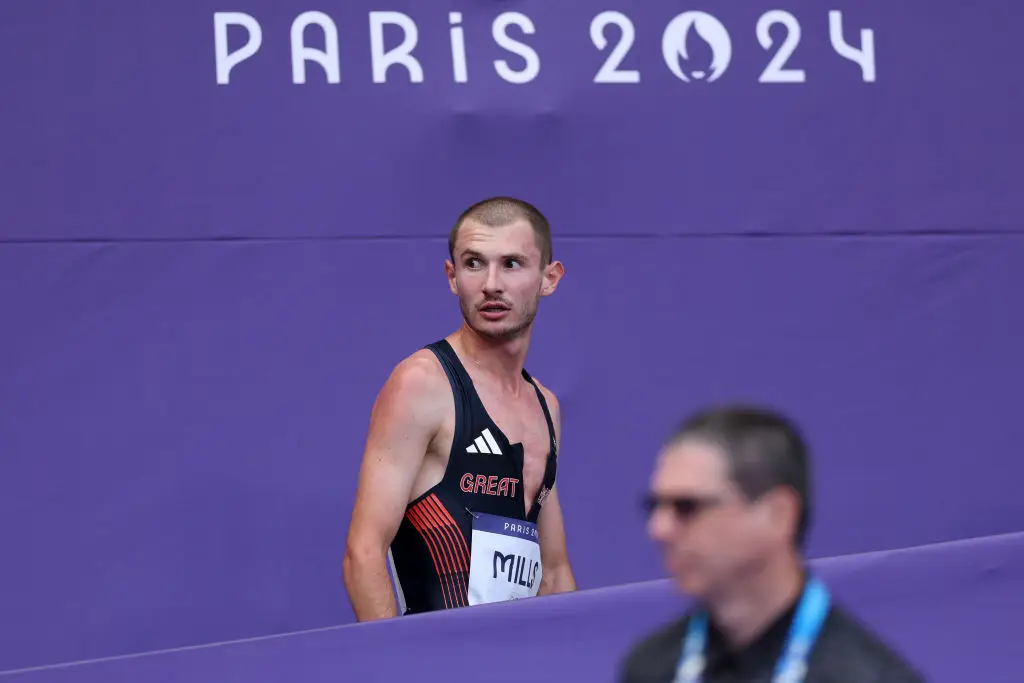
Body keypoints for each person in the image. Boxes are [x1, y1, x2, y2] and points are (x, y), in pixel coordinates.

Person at [342, 196, 577, 621]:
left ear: (549, 278)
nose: (491, 284)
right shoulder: (423, 384)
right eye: (473, 263)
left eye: (511, 264)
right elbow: (363, 552)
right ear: (452, 277)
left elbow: (555, 575)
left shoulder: (546, 406)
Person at [618, 405, 926, 683]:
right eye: (655, 507)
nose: (659, 529)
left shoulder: (868, 677)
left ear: (778, 514)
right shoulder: (652, 668)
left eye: (687, 508)